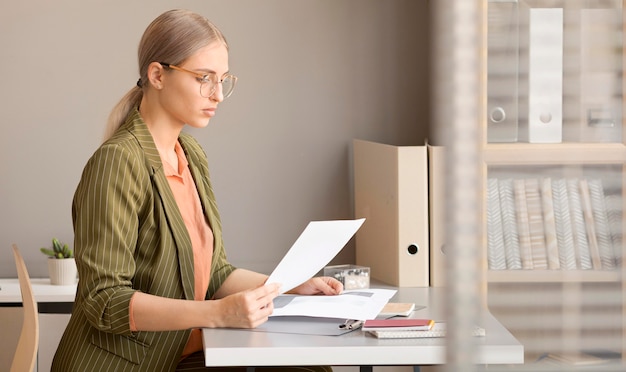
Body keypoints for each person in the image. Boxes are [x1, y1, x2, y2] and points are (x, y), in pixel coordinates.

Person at [51, 9, 342, 372]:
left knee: (313, 366)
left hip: (186, 354)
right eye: (204, 78)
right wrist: (217, 313)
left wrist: (288, 285)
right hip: (130, 364)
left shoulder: (190, 155)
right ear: (158, 75)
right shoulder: (118, 163)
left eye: (223, 80)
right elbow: (103, 300)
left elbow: (215, 274)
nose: (218, 95)